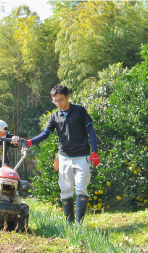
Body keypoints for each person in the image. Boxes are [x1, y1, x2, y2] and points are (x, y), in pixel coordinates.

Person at [14, 85, 100, 224]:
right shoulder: (54, 116)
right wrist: (29, 142)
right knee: (66, 190)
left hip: (81, 156)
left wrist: (95, 152)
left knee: (81, 188)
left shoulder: (80, 110)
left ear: (68, 97)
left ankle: (79, 224)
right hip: (64, 157)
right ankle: (70, 224)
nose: (58, 103)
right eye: (55, 101)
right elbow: (45, 134)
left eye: (60, 100)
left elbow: (91, 130)